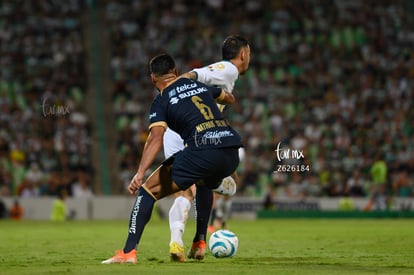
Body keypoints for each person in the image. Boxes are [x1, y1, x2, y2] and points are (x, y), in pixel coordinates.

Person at [102, 53, 243, 264]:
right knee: (204, 180)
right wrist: (223, 101)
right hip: (231, 149)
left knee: (148, 191)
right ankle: (200, 242)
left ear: (152, 79)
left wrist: (140, 173)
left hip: (202, 150)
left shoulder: (161, 100)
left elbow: (155, 138)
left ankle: (128, 252)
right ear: (176, 72)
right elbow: (228, 97)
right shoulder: (198, 86)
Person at [166, 35, 251, 261]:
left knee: (184, 190)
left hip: (176, 132)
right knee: (211, 180)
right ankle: (200, 241)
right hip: (194, 132)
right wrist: (177, 87)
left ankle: (179, 241)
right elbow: (193, 75)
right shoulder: (229, 69)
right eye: (249, 53)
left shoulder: (224, 79)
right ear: (243, 54)